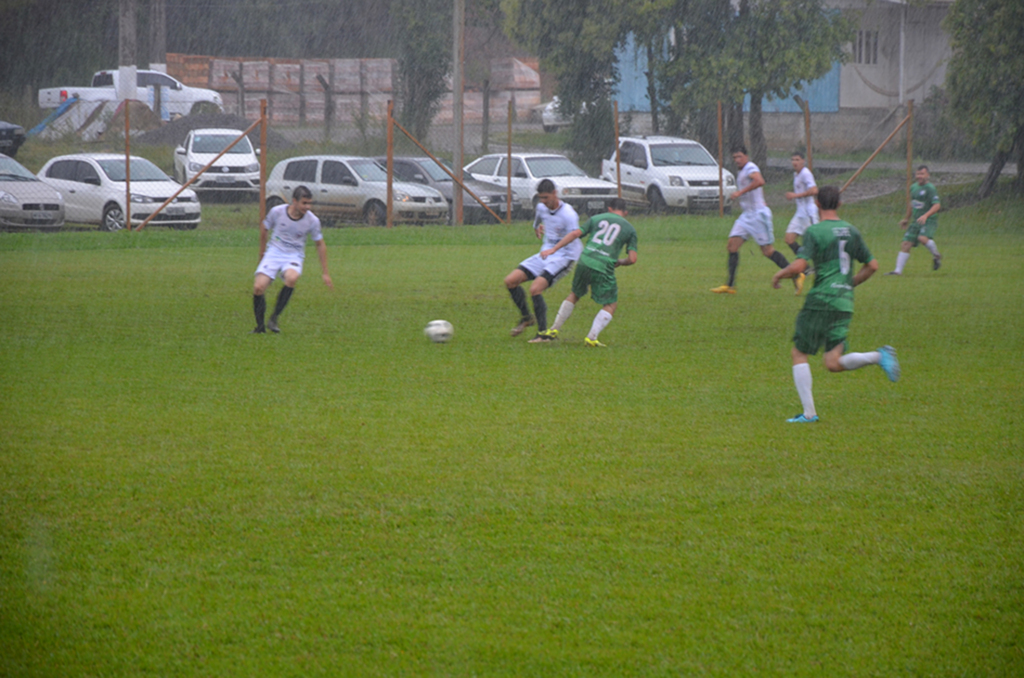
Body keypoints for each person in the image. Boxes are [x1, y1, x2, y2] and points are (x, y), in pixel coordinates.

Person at [771, 185, 900, 423]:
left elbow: (800, 266)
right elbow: (872, 266)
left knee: (799, 353)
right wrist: (849, 284)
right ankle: (879, 356)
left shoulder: (814, 231)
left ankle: (809, 414)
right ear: (840, 204)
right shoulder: (852, 231)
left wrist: (781, 274)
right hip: (843, 303)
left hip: (821, 299)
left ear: (817, 204)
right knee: (832, 362)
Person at [530, 197, 638, 347]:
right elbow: (632, 259)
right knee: (610, 304)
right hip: (603, 265)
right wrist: (620, 262)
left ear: (609, 209)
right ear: (625, 212)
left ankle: (553, 330)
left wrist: (554, 249)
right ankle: (591, 337)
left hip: (585, 260)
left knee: (575, 294)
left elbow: (575, 234)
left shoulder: (596, 218)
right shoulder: (630, 229)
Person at [712, 146, 800, 294]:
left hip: (759, 215)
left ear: (746, 156)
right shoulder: (742, 171)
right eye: (734, 158)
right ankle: (730, 285)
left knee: (768, 251)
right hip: (747, 215)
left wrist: (740, 192)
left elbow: (760, 181)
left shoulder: (750, 167)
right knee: (732, 246)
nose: (737, 160)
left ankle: (796, 274)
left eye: (739, 156)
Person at [503, 179, 581, 338]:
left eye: (546, 197)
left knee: (535, 289)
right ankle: (526, 318)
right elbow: (538, 220)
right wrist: (536, 228)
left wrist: (554, 248)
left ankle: (543, 334)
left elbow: (575, 235)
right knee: (510, 281)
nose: (544, 202)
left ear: (555, 193)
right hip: (546, 253)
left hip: (565, 256)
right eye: (541, 198)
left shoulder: (568, 213)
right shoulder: (541, 207)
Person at [251, 185, 333, 333]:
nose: (307, 207)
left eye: (309, 203)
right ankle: (260, 327)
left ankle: (274, 318)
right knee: (258, 288)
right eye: (304, 203)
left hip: (293, 255)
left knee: (292, 277)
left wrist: (325, 272)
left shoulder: (312, 221)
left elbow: (320, 244)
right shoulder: (277, 212)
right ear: (294, 201)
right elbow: (264, 228)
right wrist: (262, 254)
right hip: (274, 252)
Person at [887, 165, 942, 275]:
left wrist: (926, 216)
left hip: (929, 220)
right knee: (906, 244)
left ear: (928, 175)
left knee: (922, 238)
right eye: (918, 174)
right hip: (916, 221)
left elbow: (937, 206)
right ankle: (898, 271)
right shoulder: (913, 187)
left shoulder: (930, 188)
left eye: (922, 174)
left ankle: (936, 255)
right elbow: (912, 205)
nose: (919, 176)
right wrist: (906, 219)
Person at [784, 152, 819, 294]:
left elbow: (814, 190)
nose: (794, 162)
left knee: (816, 243)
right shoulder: (796, 174)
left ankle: (821, 269)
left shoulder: (805, 173)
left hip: (809, 213)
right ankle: (806, 267)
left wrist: (796, 195)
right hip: (800, 213)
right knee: (789, 239)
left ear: (803, 161)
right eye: (792, 160)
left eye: (797, 160)